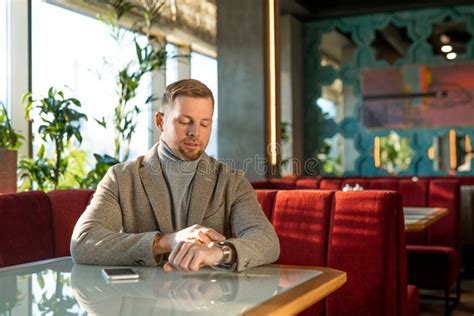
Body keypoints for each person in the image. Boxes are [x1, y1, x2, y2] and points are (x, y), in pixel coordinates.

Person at [71, 79, 280, 272]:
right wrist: (166, 242)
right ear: (160, 121)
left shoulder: (231, 181)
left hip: (209, 304)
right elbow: (84, 242)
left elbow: (267, 240)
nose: (195, 132)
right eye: (184, 121)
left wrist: (219, 253)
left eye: (204, 123)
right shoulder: (121, 178)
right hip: (144, 304)